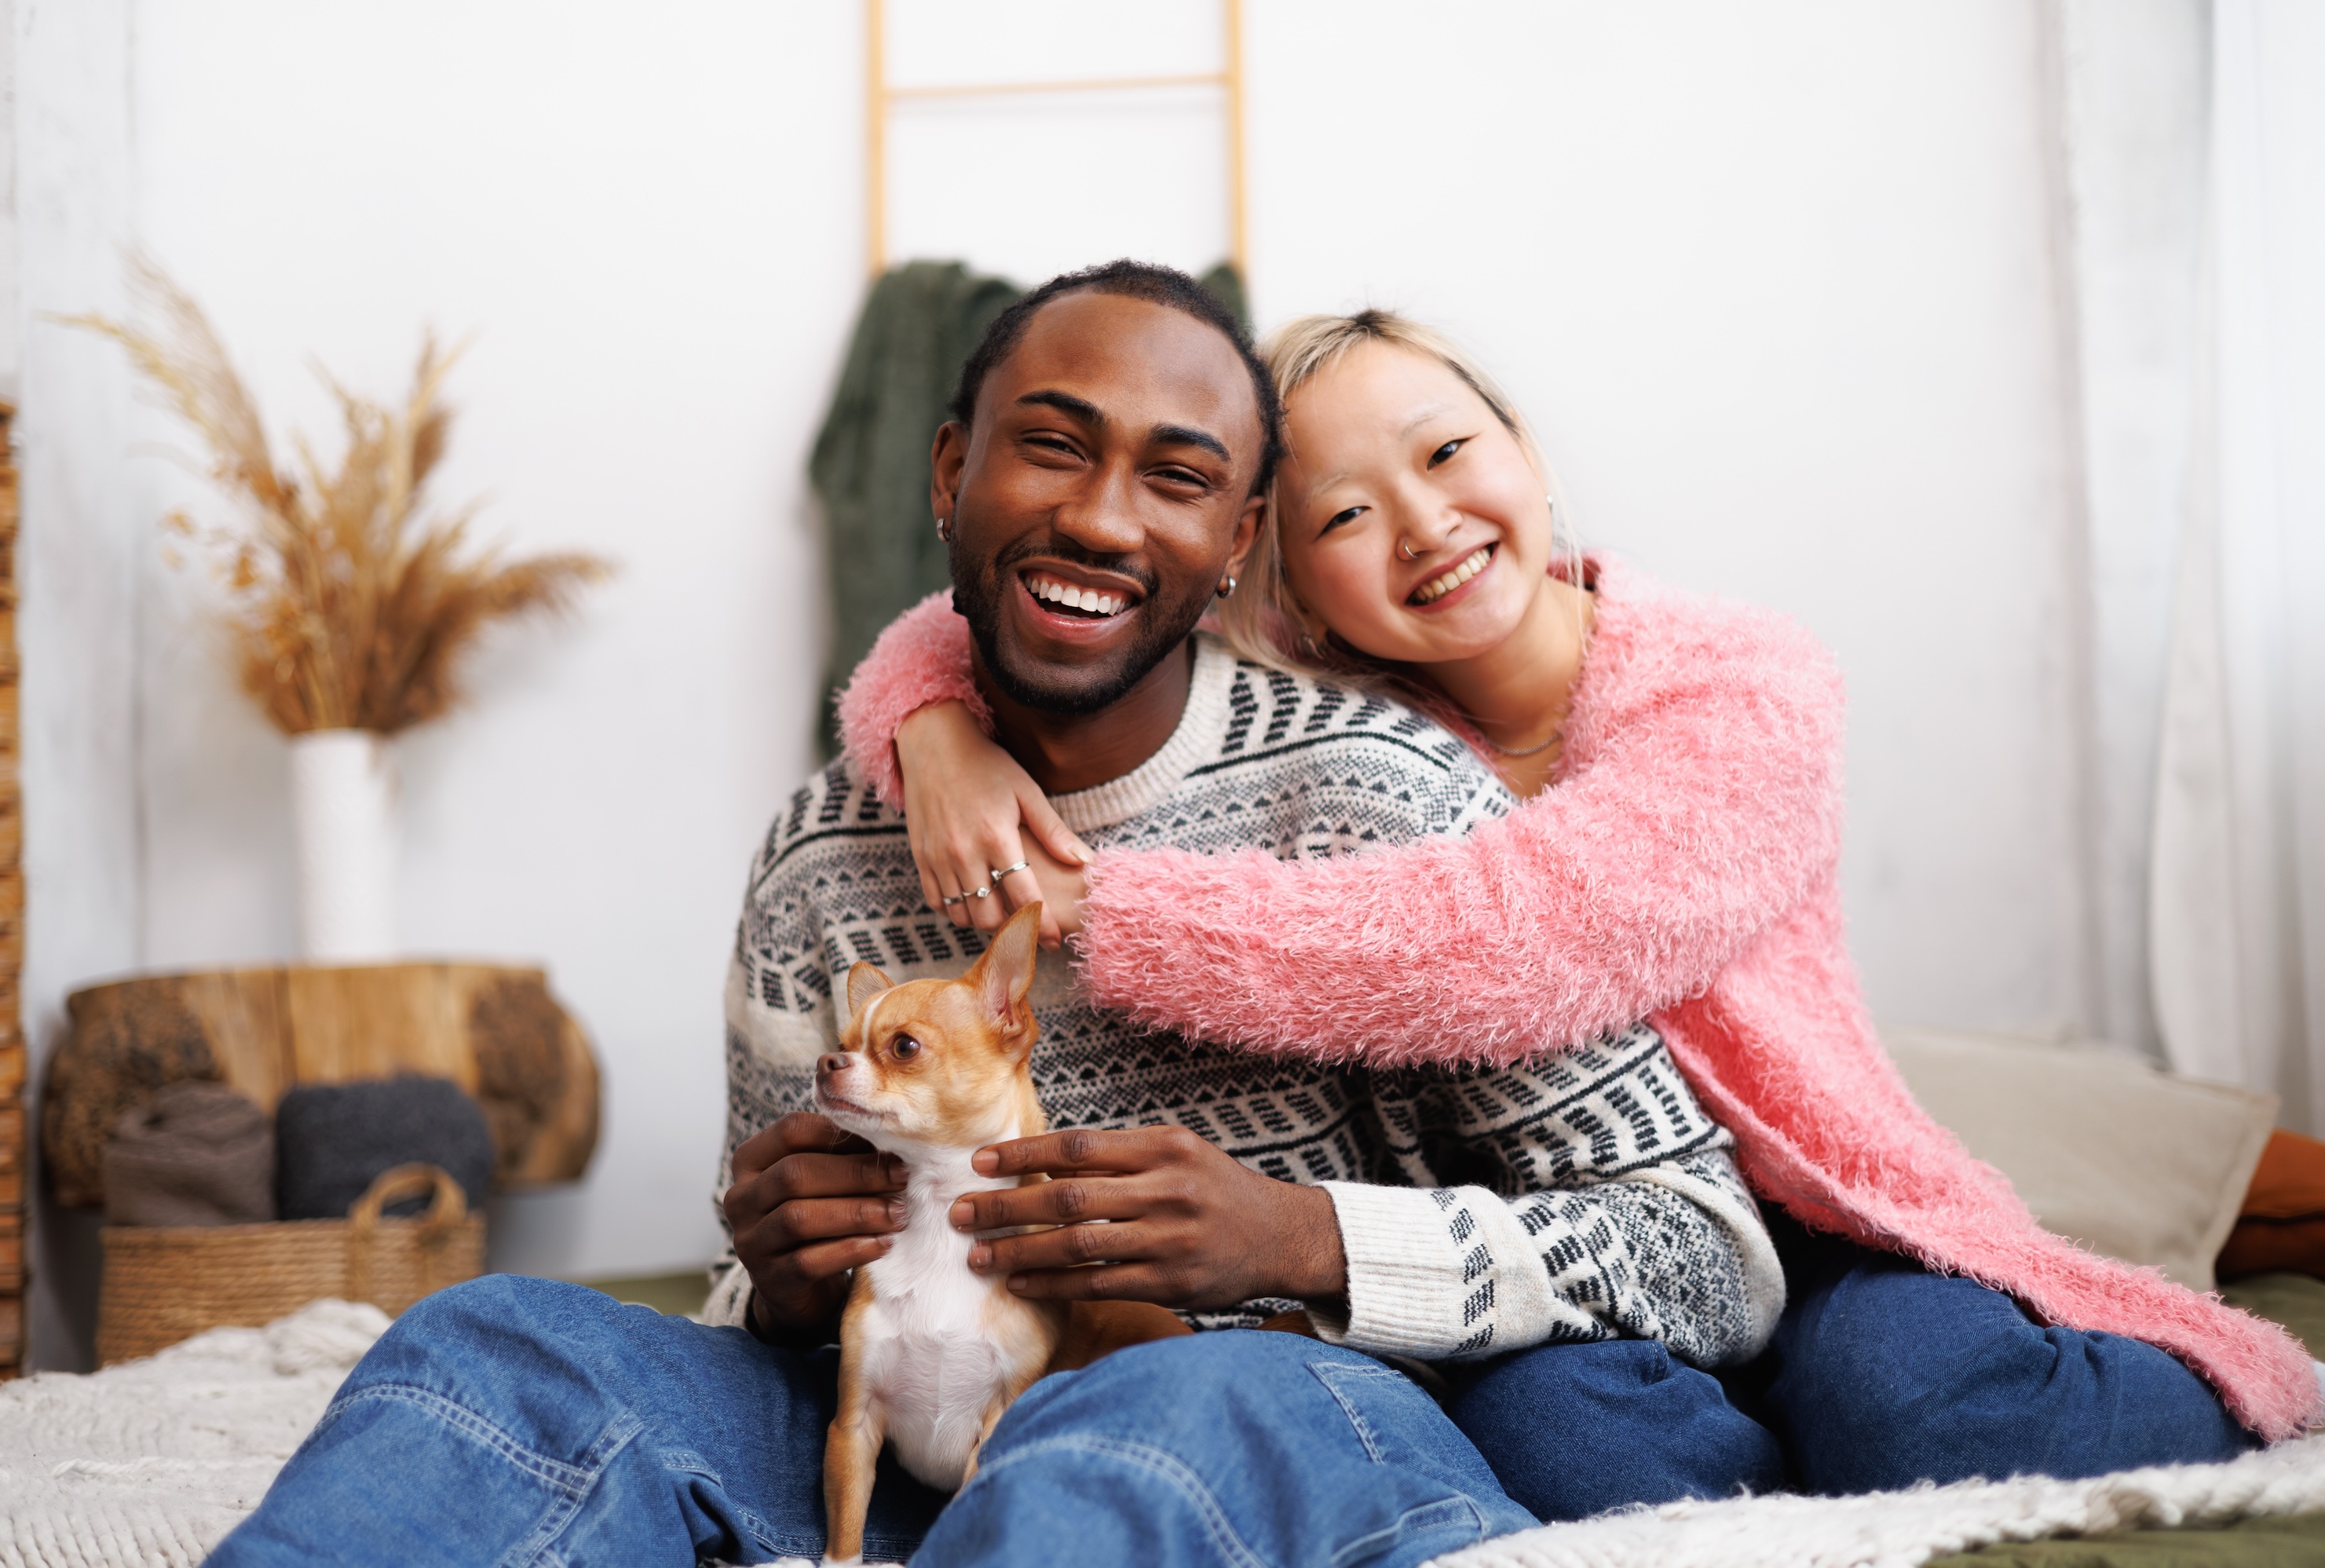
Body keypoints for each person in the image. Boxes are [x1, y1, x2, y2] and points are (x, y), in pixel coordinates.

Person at [204, 263, 1787, 1568]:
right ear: (951, 467)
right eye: (1053, 445)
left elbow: (1711, 1256)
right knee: (497, 1343)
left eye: (1178, 478)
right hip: (916, 1443)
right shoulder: (829, 856)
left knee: (1151, 1415)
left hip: (1264, 1405)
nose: (1106, 519)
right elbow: (787, 1324)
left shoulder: (1384, 800)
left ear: (1238, 542)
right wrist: (785, 1264)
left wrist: (1297, 1235)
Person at [834, 306, 2313, 1508]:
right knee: (1572, 1454)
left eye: (1447, 450)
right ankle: (1772, 1495)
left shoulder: (1741, 681)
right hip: (1550, 1236)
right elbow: (1056, 594)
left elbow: (1504, 944)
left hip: (1813, 1223)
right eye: (1346, 510)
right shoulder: (1350, 720)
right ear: (1277, 584)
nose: (1422, 523)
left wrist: (1105, 905)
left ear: (1525, 447)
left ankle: (2203, 1389)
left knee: (1909, 1400)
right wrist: (929, 723)